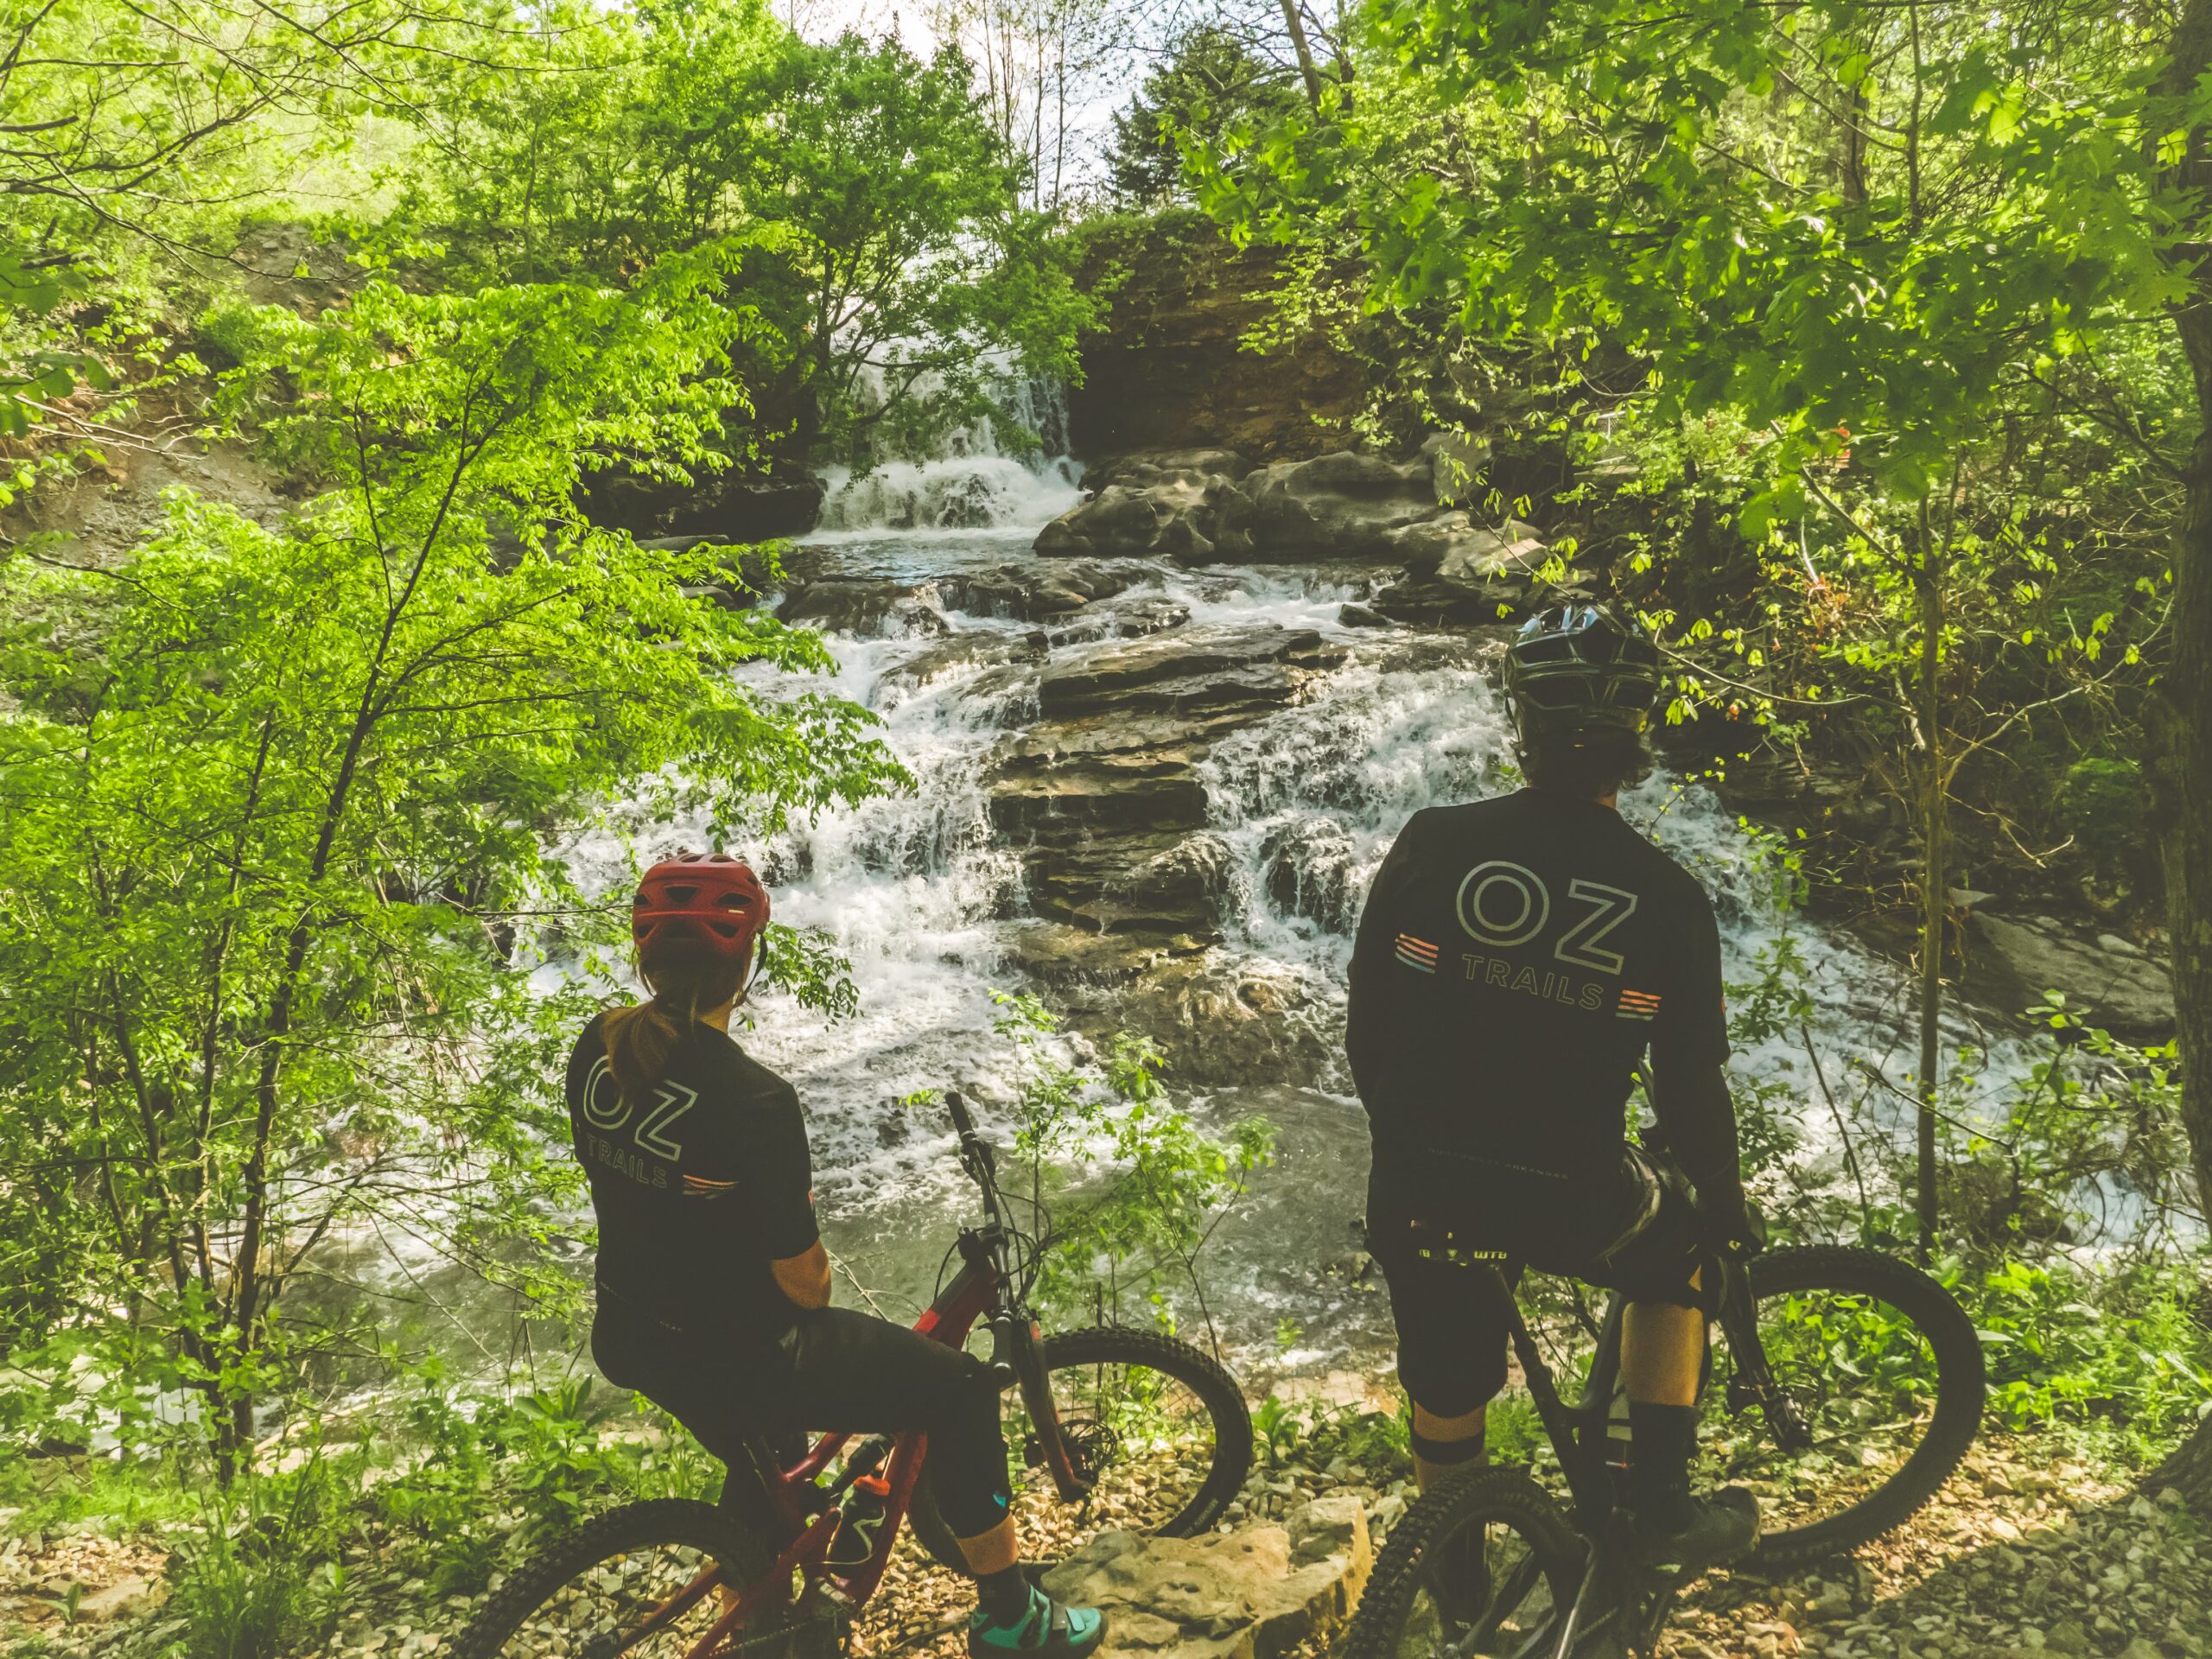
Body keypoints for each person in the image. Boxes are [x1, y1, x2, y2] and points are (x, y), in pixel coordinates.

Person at [567, 852, 1105, 1659]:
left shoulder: (598, 1046)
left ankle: (767, 1616)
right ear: (745, 966)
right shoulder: (755, 1100)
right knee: (960, 1390)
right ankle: (1011, 1621)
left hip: (633, 1334)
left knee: (773, 1461)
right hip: (740, 1354)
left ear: (642, 955)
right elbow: (808, 1286)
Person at [1345, 604, 1762, 1573]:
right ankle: (1656, 1509)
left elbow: (1369, 1027)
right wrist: (1725, 1205)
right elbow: (1688, 1085)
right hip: (1572, 1187)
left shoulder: (1432, 840)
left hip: (1421, 1177)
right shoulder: (1666, 898)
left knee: (1448, 1390)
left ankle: (1448, 1586)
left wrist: (1409, 1142)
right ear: (1637, 739)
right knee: (1682, 1256)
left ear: (1520, 722)